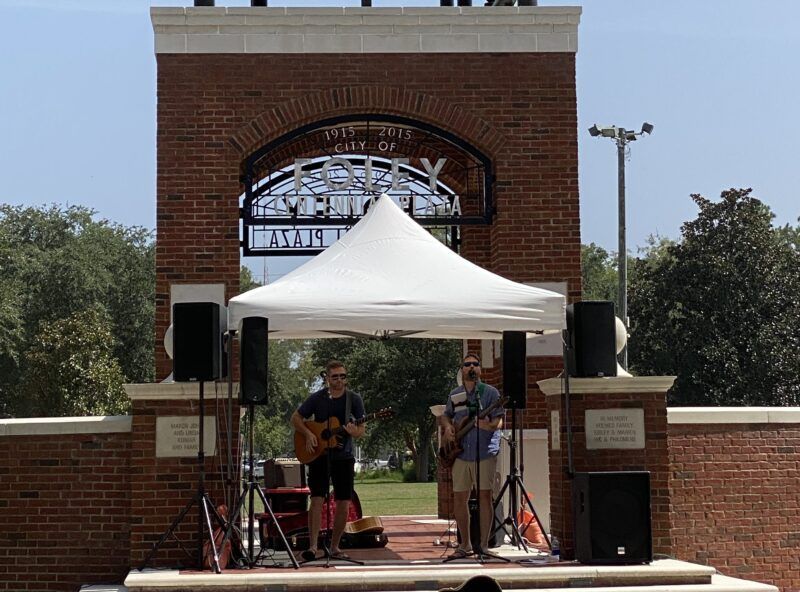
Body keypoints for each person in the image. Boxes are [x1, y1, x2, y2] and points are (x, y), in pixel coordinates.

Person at [291, 359, 365, 561]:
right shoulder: (317, 398)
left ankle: (334, 546)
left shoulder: (354, 400)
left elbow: (360, 431)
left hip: (344, 456)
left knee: (343, 501)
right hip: (319, 456)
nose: (340, 380)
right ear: (327, 378)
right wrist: (308, 434)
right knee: (316, 499)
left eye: (343, 376)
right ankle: (313, 546)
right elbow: (295, 418)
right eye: (335, 377)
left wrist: (353, 430)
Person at [440, 353, 504, 559]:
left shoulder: (490, 393)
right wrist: (448, 427)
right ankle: (464, 544)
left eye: (475, 364)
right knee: (460, 497)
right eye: (467, 364)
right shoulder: (455, 394)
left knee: (485, 496)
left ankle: (484, 545)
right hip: (460, 453)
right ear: (462, 370)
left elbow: (499, 421)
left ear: (480, 370)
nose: (471, 367)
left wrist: (489, 425)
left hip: (483, 451)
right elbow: (446, 416)